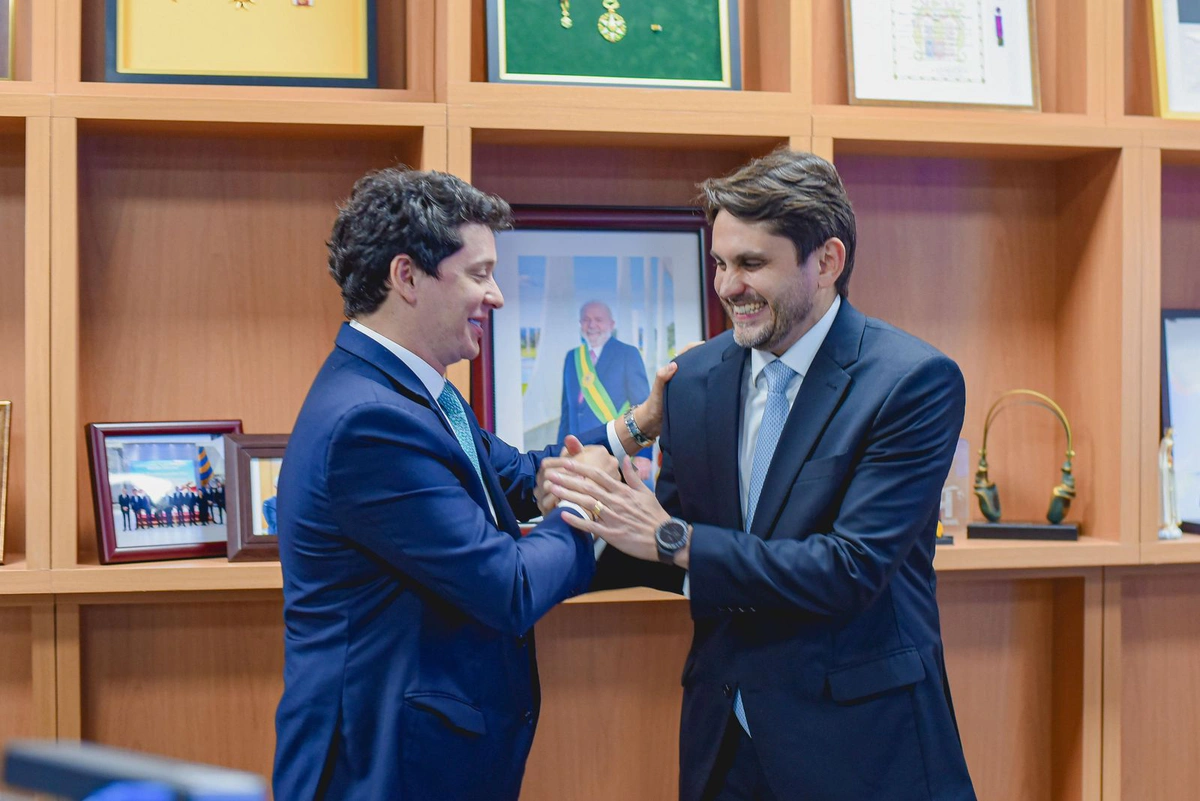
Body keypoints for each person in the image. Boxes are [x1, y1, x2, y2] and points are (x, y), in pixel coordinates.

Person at [545, 149, 977, 801]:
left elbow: (849, 568)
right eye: (720, 262)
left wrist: (672, 538)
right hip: (724, 749)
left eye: (751, 263)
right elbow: (668, 546)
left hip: (862, 749)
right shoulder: (690, 379)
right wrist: (567, 528)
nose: (726, 285)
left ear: (826, 262)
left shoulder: (912, 382)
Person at [271, 166, 670, 801]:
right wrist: (583, 499)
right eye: (479, 274)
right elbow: (507, 584)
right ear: (406, 277)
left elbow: (519, 476)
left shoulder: (415, 394)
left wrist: (634, 427)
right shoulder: (369, 422)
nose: (499, 296)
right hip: (383, 770)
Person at [557, 301, 654, 478]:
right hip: (578, 454)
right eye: (586, 320)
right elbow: (567, 412)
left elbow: (643, 407)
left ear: (612, 324)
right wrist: (558, 452)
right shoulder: (572, 358)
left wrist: (643, 455)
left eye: (598, 320)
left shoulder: (627, 354)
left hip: (614, 452)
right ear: (580, 324)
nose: (592, 325)